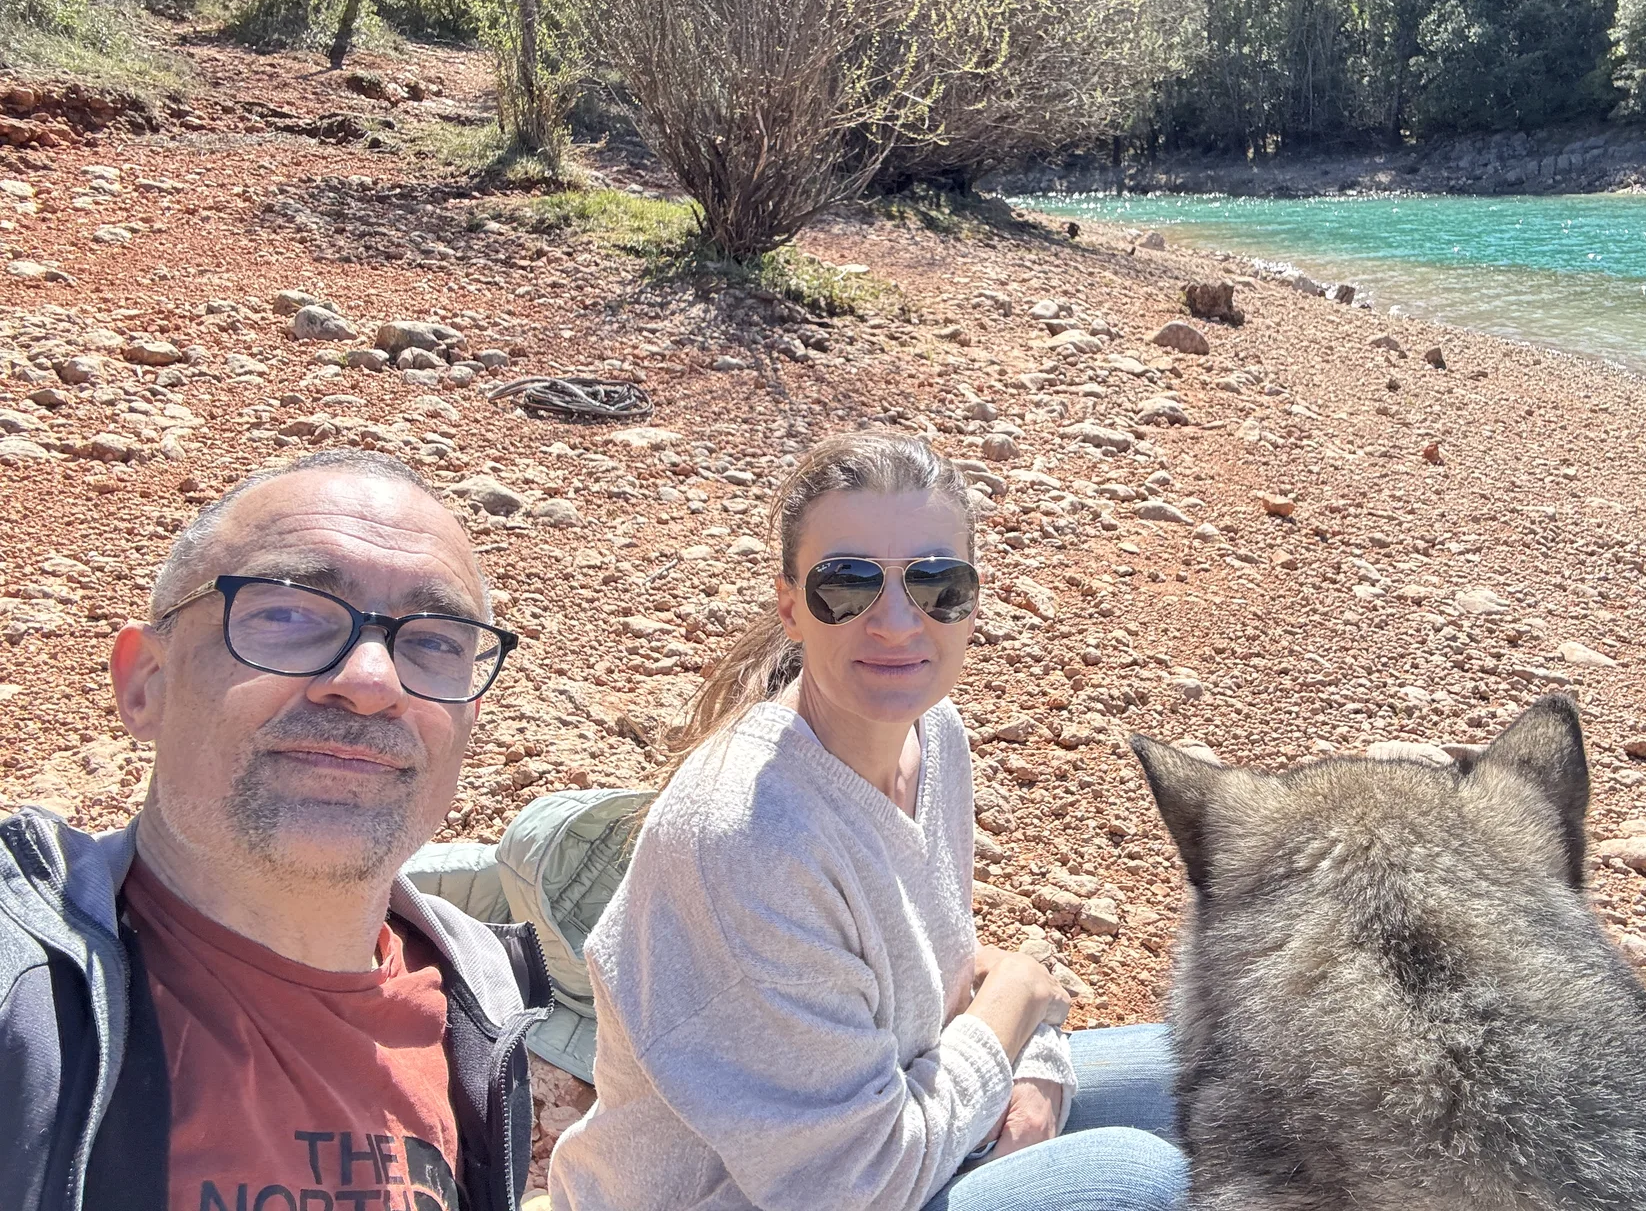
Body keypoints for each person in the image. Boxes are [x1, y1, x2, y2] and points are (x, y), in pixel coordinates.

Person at [549, 432, 1188, 1211]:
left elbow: (933, 976)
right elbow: (855, 1183)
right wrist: (1022, 998)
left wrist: (1038, 1060)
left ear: (972, 603)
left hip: (900, 1133)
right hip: (791, 1192)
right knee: (1140, 1181)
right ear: (791, 608)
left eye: (936, 584)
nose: (894, 621)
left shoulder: (936, 735)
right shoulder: (748, 835)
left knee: (1219, 1076)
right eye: (847, 586)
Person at [0, 449, 551, 1211]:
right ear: (144, 684)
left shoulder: (484, 1002)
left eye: (435, 642)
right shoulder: (19, 994)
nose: (370, 682)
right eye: (287, 613)